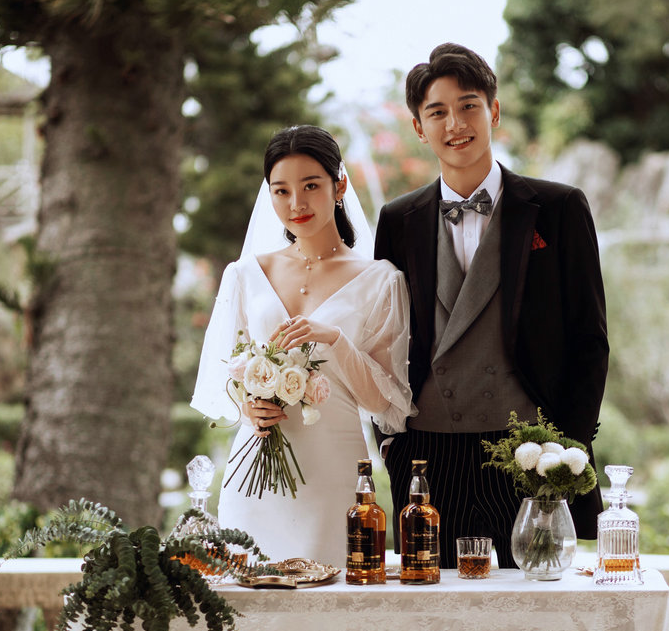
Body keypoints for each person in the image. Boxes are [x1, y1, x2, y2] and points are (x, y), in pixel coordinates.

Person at [374, 43, 609, 569]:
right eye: (437, 112)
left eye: (468, 106)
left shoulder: (558, 208)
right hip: (427, 454)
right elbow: (383, 338)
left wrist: (566, 449)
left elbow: (589, 339)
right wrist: (389, 441)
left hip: (528, 452)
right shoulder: (397, 219)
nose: (455, 124)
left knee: (535, 604)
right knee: (431, 605)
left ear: (494, 111)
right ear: (419, 128)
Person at [191, 125, 414, 566]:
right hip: (254, 472)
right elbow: (227, 376)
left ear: (339, 186)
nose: (296, 204)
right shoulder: (245, 274)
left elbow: (384, 403)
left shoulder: (381, 280)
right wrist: (249, 405)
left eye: (311, 185)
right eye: (281, 191)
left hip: (334, 472)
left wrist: (336, 340)